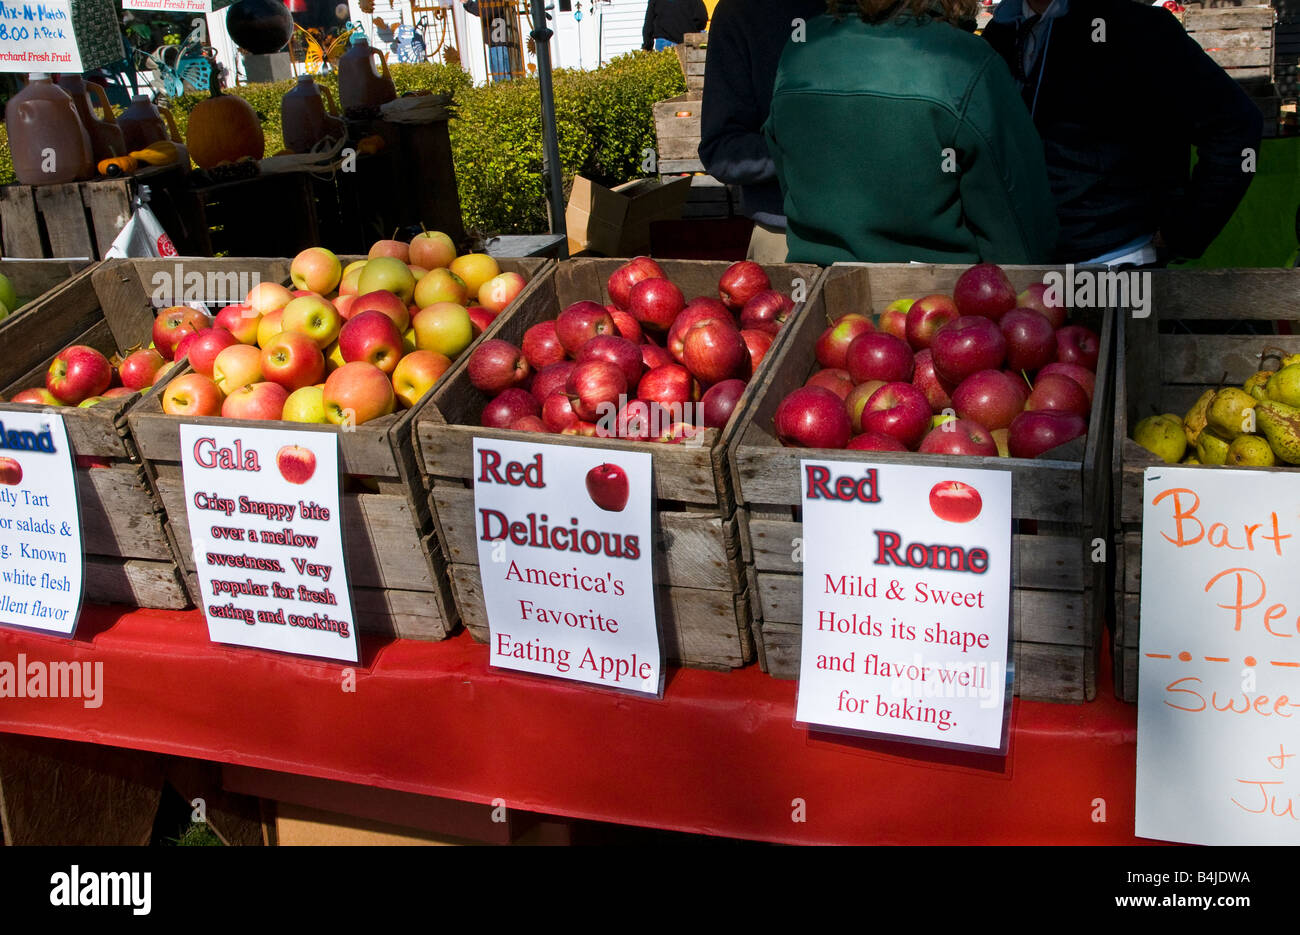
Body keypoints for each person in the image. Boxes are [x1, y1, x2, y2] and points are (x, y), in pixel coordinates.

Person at [764, 0, 1058, 265]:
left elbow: (787, 174)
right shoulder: (967, 61)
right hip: (936, 309)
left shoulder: (801, 48)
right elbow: (1021, 240)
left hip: (821, 302)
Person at [982, 0, 1262, 265]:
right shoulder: (1001, 32)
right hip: (1018, 264)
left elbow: (1236, 125)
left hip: (1115, 261)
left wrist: (1183, 232)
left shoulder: (1137, 29)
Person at [698, 0, 829, 263]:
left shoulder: (891, 10)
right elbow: (720, 148)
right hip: (787, 235)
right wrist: (804, 154)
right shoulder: (743, 11)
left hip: (898, 233)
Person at [643, 0, 710, 52]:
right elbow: (702, 17)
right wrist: (694, 29)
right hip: (687, 41)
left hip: (665, 42)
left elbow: (649, 24)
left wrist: (647, 47)